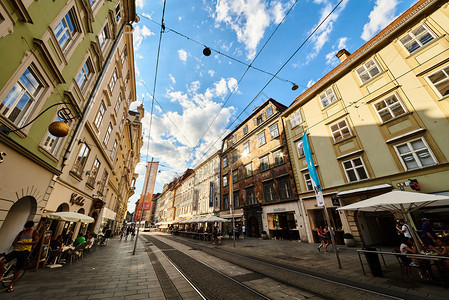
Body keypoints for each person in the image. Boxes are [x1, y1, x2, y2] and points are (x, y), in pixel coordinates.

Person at [0, 221, 39, 293]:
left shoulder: (34, 232)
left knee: (18, 268)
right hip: (16, 250)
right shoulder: (22, 232)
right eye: (26, 227)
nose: (26, 229)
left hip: (25, 251)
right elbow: (15, 241)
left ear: (31, 227)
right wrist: (16, 242)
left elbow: (36, 241)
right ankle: (0, 276)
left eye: (28, 228)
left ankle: (11, 285)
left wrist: (26, 243)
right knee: (2, 261)